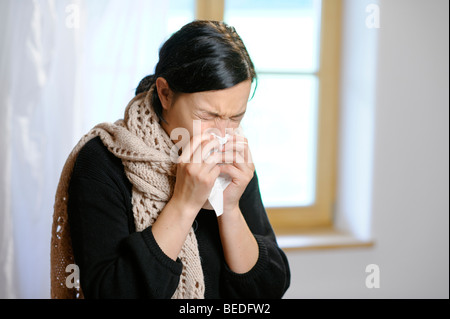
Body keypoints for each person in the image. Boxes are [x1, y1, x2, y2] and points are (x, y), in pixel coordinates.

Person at [50, 20, 290, 299]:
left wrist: (230, 209)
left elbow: (268, 291)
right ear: (165, 93)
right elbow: (112, 291)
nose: (223, 135)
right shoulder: (102, 161)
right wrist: (184, 204)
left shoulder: (232, 156)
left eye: (236, 117)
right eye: (208, 116)